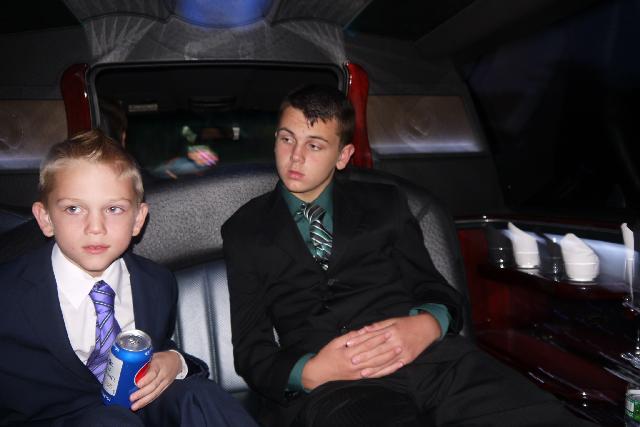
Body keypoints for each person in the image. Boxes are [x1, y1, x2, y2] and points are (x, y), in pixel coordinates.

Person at [221, 85, 594, 426]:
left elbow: (435, 289)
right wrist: (311, 372)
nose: (295, 157)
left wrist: (426, 325)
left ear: (343, 155)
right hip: (336, 387)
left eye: (314, 145)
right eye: (287, 139)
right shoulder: (245, 230)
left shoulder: (385, 204)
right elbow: (251, 349)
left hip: (435, 363)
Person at [0, 129, 258, 426]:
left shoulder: (156, 283)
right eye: (74, 208)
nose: (95, 227)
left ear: (137, 219)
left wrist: (175, 362)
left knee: (199, 396)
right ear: (46, 219)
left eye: (113, 209)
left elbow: (154, 346)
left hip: (140, 409)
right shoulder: (9, 293)